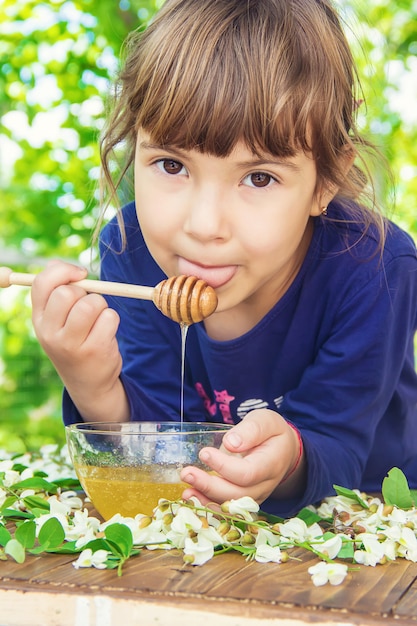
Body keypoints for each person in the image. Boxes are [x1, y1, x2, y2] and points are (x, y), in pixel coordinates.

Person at [31, 0, 417, 517]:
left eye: (259, 178)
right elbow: (160, 440)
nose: (204, 226)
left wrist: (291, 456)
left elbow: (341, 447)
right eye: (171, 164)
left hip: (367, 513)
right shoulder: (130, 252)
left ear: (324, 182)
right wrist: (92, 384)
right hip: (208, 529)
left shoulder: (375, 268)